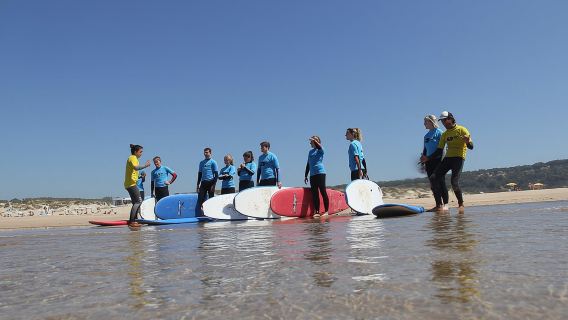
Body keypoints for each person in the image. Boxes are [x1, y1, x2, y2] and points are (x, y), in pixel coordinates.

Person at [426, 111, 474, 212]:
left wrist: (467, 142)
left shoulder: (462, 129)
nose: (443, 123)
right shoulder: (445, 134)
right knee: (433, 178)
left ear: (451, 119)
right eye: (442, 121)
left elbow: (471, 147)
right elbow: (439, 150)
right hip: (448, 158)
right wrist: (428, 158)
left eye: (445, 120)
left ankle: (461, 204)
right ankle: (439, 205)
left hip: (459, 158)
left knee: (454, 182)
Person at [420, 115, 448, 212]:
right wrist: (423, 160)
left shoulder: (440, 133)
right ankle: (438, 205)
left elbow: (441, 150)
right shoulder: (426, 136)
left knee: (441, 182)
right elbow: (425, 149)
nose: (424, 124)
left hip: (439, 160)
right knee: (433, 183)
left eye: (426, 122)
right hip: (429, 162)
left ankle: (446, 205)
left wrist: (429, 157)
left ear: (432, 122)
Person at [124, 144, 151, 227]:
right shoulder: (133, 158)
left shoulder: (133, 158)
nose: (141, 153)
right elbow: (136, 168)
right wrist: (146, 165)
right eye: (140, 152)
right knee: (138, 201)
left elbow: (133, 172)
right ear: (135, 152)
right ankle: (132, 221)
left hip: (129, 183)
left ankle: (133, 220)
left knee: (135, 202)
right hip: (131, 184)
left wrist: (140, 176)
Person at [304, 136, 329, 217]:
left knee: (323, 191)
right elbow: (308, 164)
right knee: (315, 193)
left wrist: (315, 140)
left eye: (312, 141)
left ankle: (326, 211)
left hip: (320, 173)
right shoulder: (310, 152)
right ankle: (317, 211)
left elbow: (319, 146)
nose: (310, 142)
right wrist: (305, 175)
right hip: (312, 174)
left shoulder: (321, 150)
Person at [196, 147, 218, 215]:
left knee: (211, 199)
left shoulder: (213, 162)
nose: (205, 154)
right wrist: (197, 185)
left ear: (210, 153)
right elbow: (199, 174)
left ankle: (212, 213)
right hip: (203, 183)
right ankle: (201, 214)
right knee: (200, 199)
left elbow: (216, 175)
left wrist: (214, 185)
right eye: (204, 152)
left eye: (207, 152)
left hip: (211, 182)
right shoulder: (201, 163)